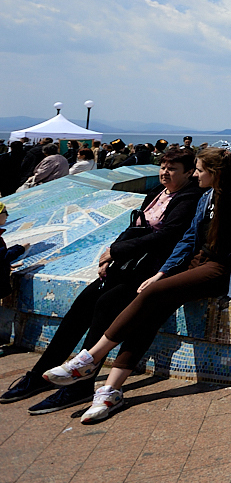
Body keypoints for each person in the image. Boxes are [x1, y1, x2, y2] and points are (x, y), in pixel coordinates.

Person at [41, 147, 231, 423]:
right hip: (198, 264)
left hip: (221, 269)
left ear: (214, 173)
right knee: (150, 312)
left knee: (152, 293)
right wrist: (163, 272)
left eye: (199, 170)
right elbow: (189, 239)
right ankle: (110, 391)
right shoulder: (207, 197)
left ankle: (90, 359)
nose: (196, 175)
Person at [2, 149, 202, 413]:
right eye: (163, 166)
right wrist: (111, 252)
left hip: (151, 271)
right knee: (82, 305)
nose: (165, 172)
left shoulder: (189, 198)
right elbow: (136, 226)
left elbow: (168, 236)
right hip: (129, 265)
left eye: (173, 168)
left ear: (189, 172)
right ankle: (40, 374)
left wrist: (118, 251)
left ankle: (80, 385)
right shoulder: (157, 193)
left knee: (106, 306)